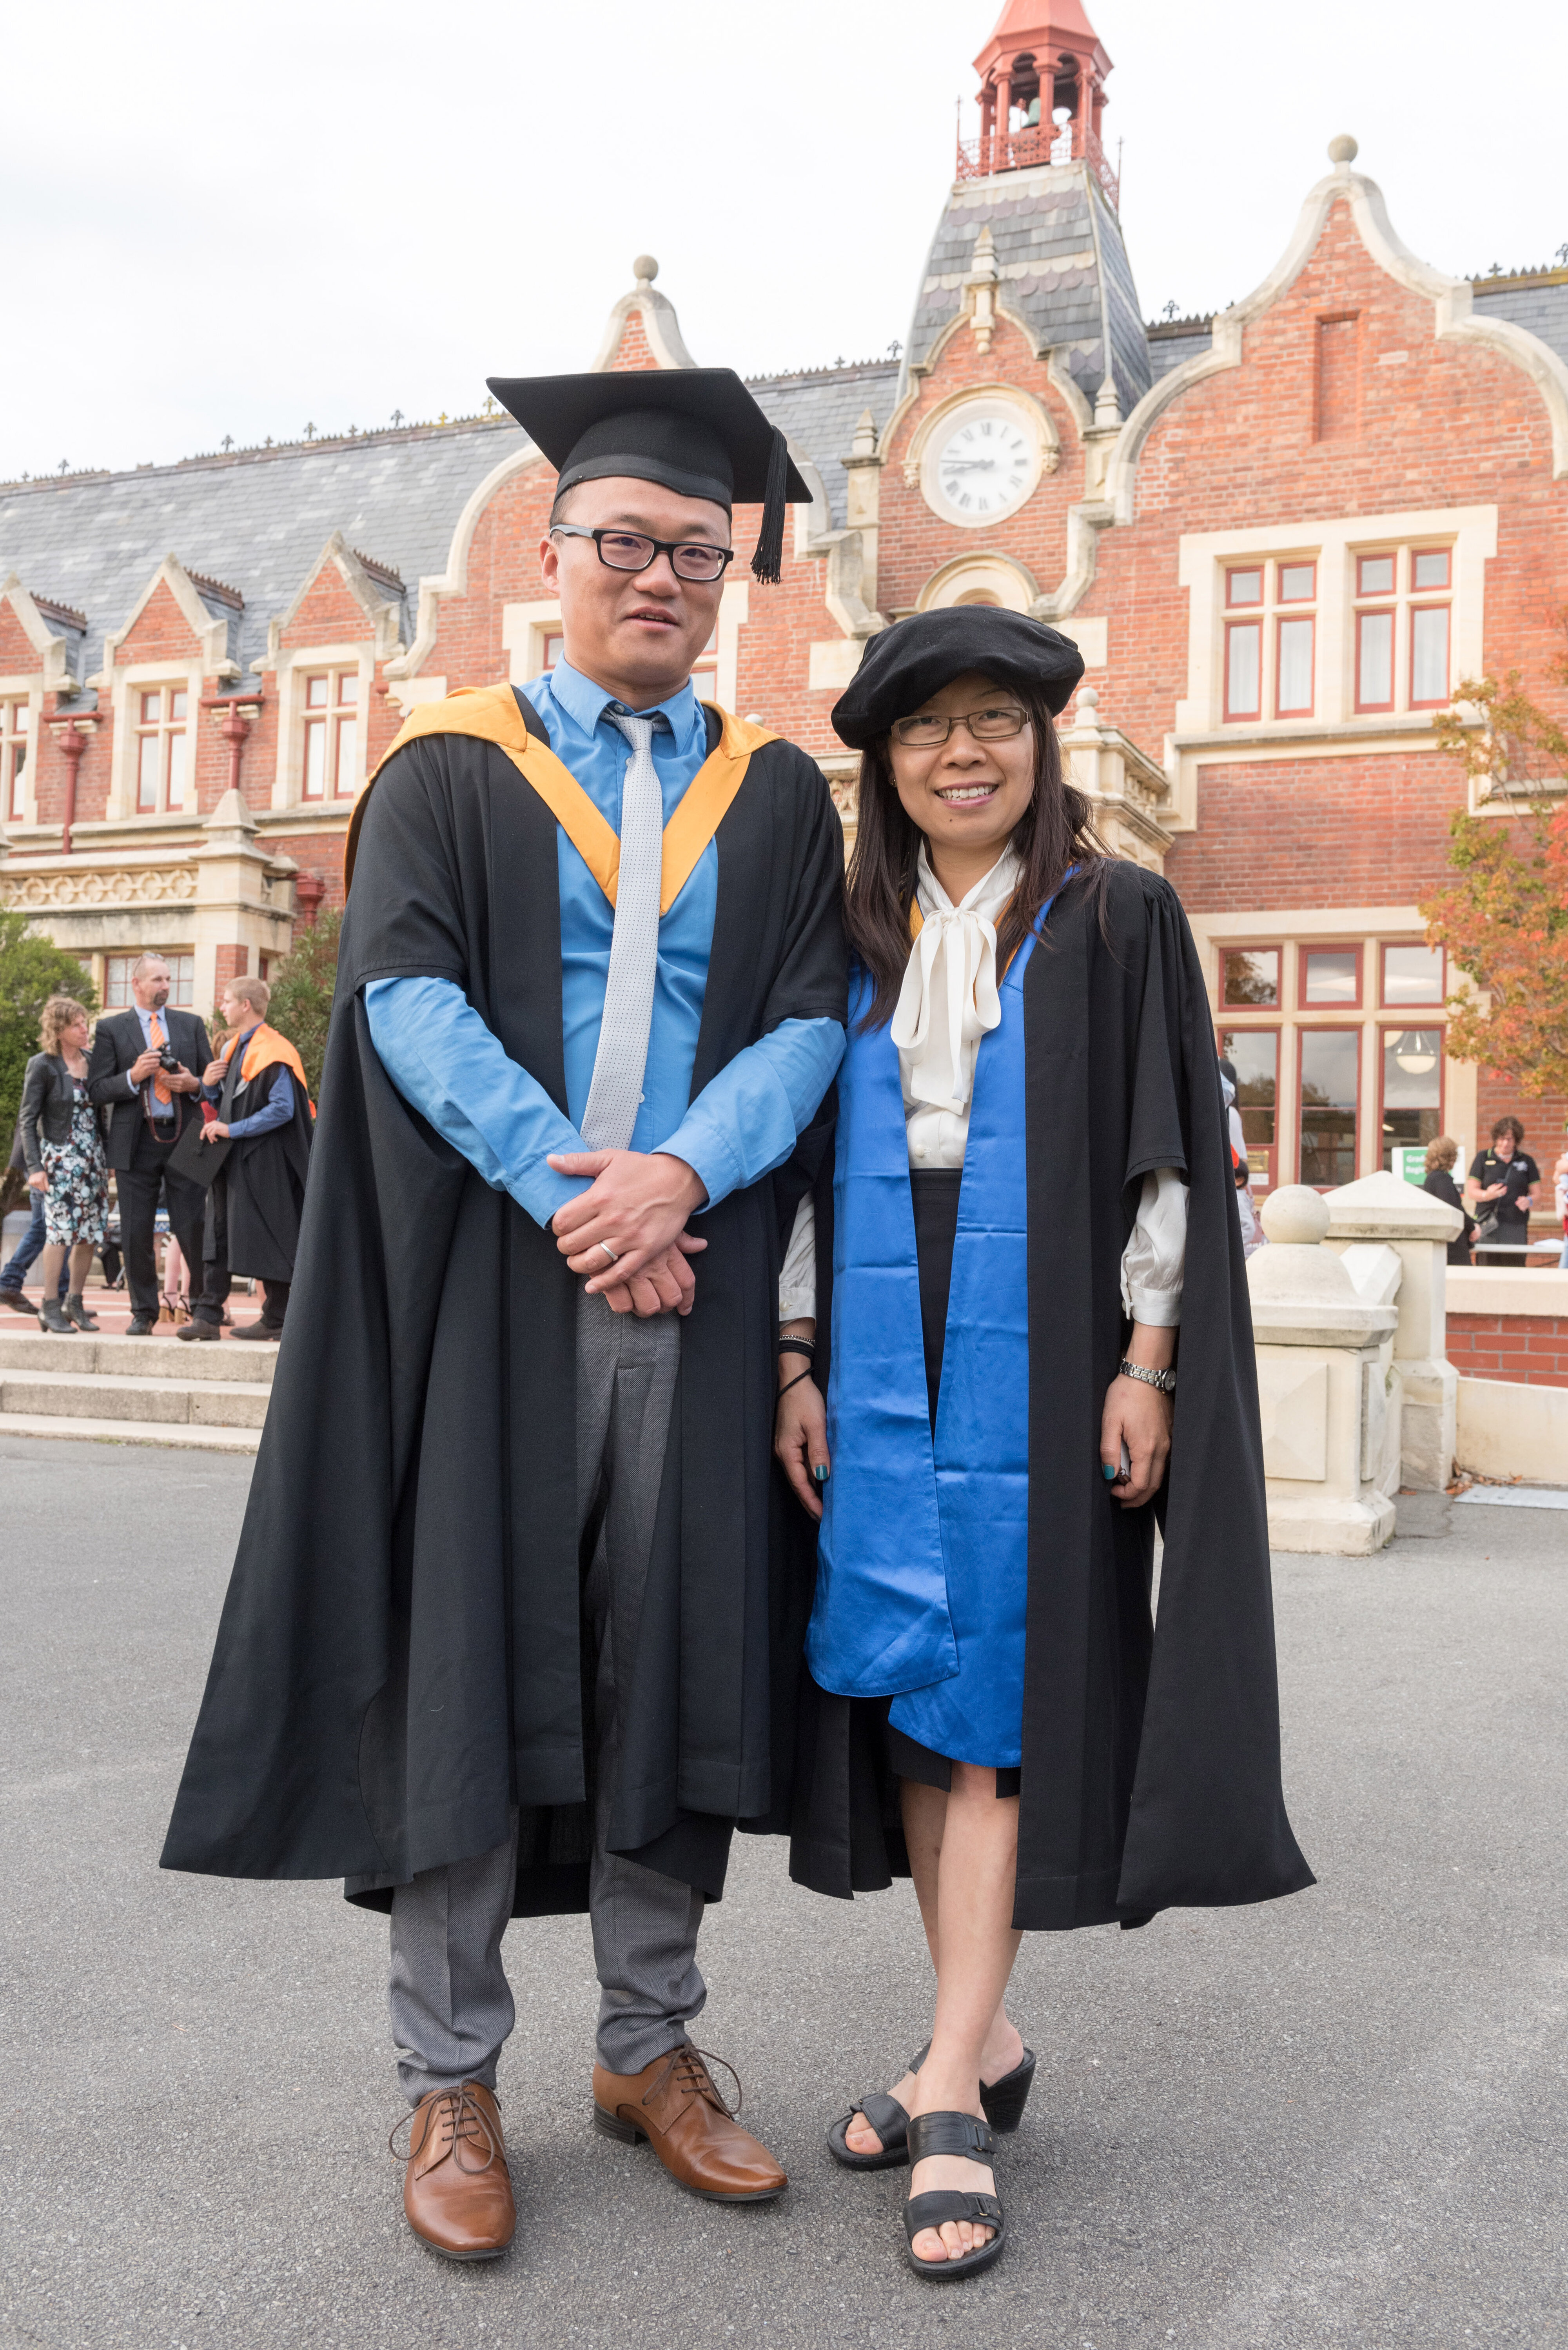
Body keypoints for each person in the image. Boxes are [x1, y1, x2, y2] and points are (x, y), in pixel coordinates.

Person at [162, 367, 847, 2263]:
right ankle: (447, 2074)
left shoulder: (771, 791)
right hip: (504, 1278)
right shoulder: (451, 766)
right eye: (625, 544)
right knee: (471, 1658)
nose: (662, 578)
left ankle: (649, 2045)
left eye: (698, 554)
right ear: (546, 560)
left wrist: (680, 1178)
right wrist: (583, 1190)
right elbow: (401, 998)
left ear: (734, 575)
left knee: (672, 1659)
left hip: (691, 1280)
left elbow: (809, 1020)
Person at [774, 609, 1312, 2282]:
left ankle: (945, 2088)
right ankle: (981, 2043)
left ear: (1041, 744)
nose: (960, 750)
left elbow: (1168, 1162)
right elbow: (791, 1162)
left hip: (1047, 1342)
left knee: (991, 1717)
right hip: (874, 1351)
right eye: (925, 726)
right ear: (882, 763)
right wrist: (793, 1348)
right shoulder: (852, 932)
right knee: (922, 1718)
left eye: (994, 719)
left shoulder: (1113, 915)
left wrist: (1145, 1356)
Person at [177, 974, 314, 1342]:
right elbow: (224, 1097)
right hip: (229, 1159)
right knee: (216, 1234)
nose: (221, 1007)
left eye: (226, 1000)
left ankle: (276, 1317)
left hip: (264, 1159)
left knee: (270, 1233)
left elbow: (283, 1110)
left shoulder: (276, 1051)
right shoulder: (233, 1047)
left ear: (246, 1005)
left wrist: (231, 1130)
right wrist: (207, 1082)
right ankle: (208, 1315)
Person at [85, 955, 212, 1336]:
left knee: (194, 1224)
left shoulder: (191, 1025)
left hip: (186, 1136)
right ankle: (144, 1309)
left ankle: (206, 1308)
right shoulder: (111, 1028)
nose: (166, 986)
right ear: (136, 984)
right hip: (135, 1140)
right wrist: (133, 1076)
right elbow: (96, 1089)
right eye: (157, 979)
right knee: (137, 1230)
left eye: (169, 979)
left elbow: (211, 1080)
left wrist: (194, 1084)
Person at [19, 996, 110, 1334]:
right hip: (59, 1159)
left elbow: (102, 1114)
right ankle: (50, 1304)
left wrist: (109, 1157)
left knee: (89, 1234)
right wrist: (35, 1168)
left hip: (93, 1159)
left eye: (85, 1022)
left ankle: (75, 1302)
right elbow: (28, 1120)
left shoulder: (92, 1060)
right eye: (76, 1024)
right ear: (59, 1030)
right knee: (59, 1233)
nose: (84, 1028)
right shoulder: (43, 1065)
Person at [1464, 1116, 1541, 1267]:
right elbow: (1472, 1191)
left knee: (1514, 1269)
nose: (1505, 1144)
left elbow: (1537, 1194)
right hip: (1489, 1225)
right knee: (1487, 1269)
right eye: (1501, 1139)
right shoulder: (1483, 1158)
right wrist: (1488, 1195)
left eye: (1510, 1139)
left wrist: (1529, 1201)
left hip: (1516, 1225)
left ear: (1516, 1141)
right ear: (1496, 1139)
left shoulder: (1526, 1161)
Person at [1421, 1136, 1474, 1265]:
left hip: (1443, 1244)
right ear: (1450, 1157)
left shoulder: (1431, 1179)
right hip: (1453, 1247)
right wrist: (1473, 1227)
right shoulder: (1442, 1180)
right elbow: (1454, 1209)